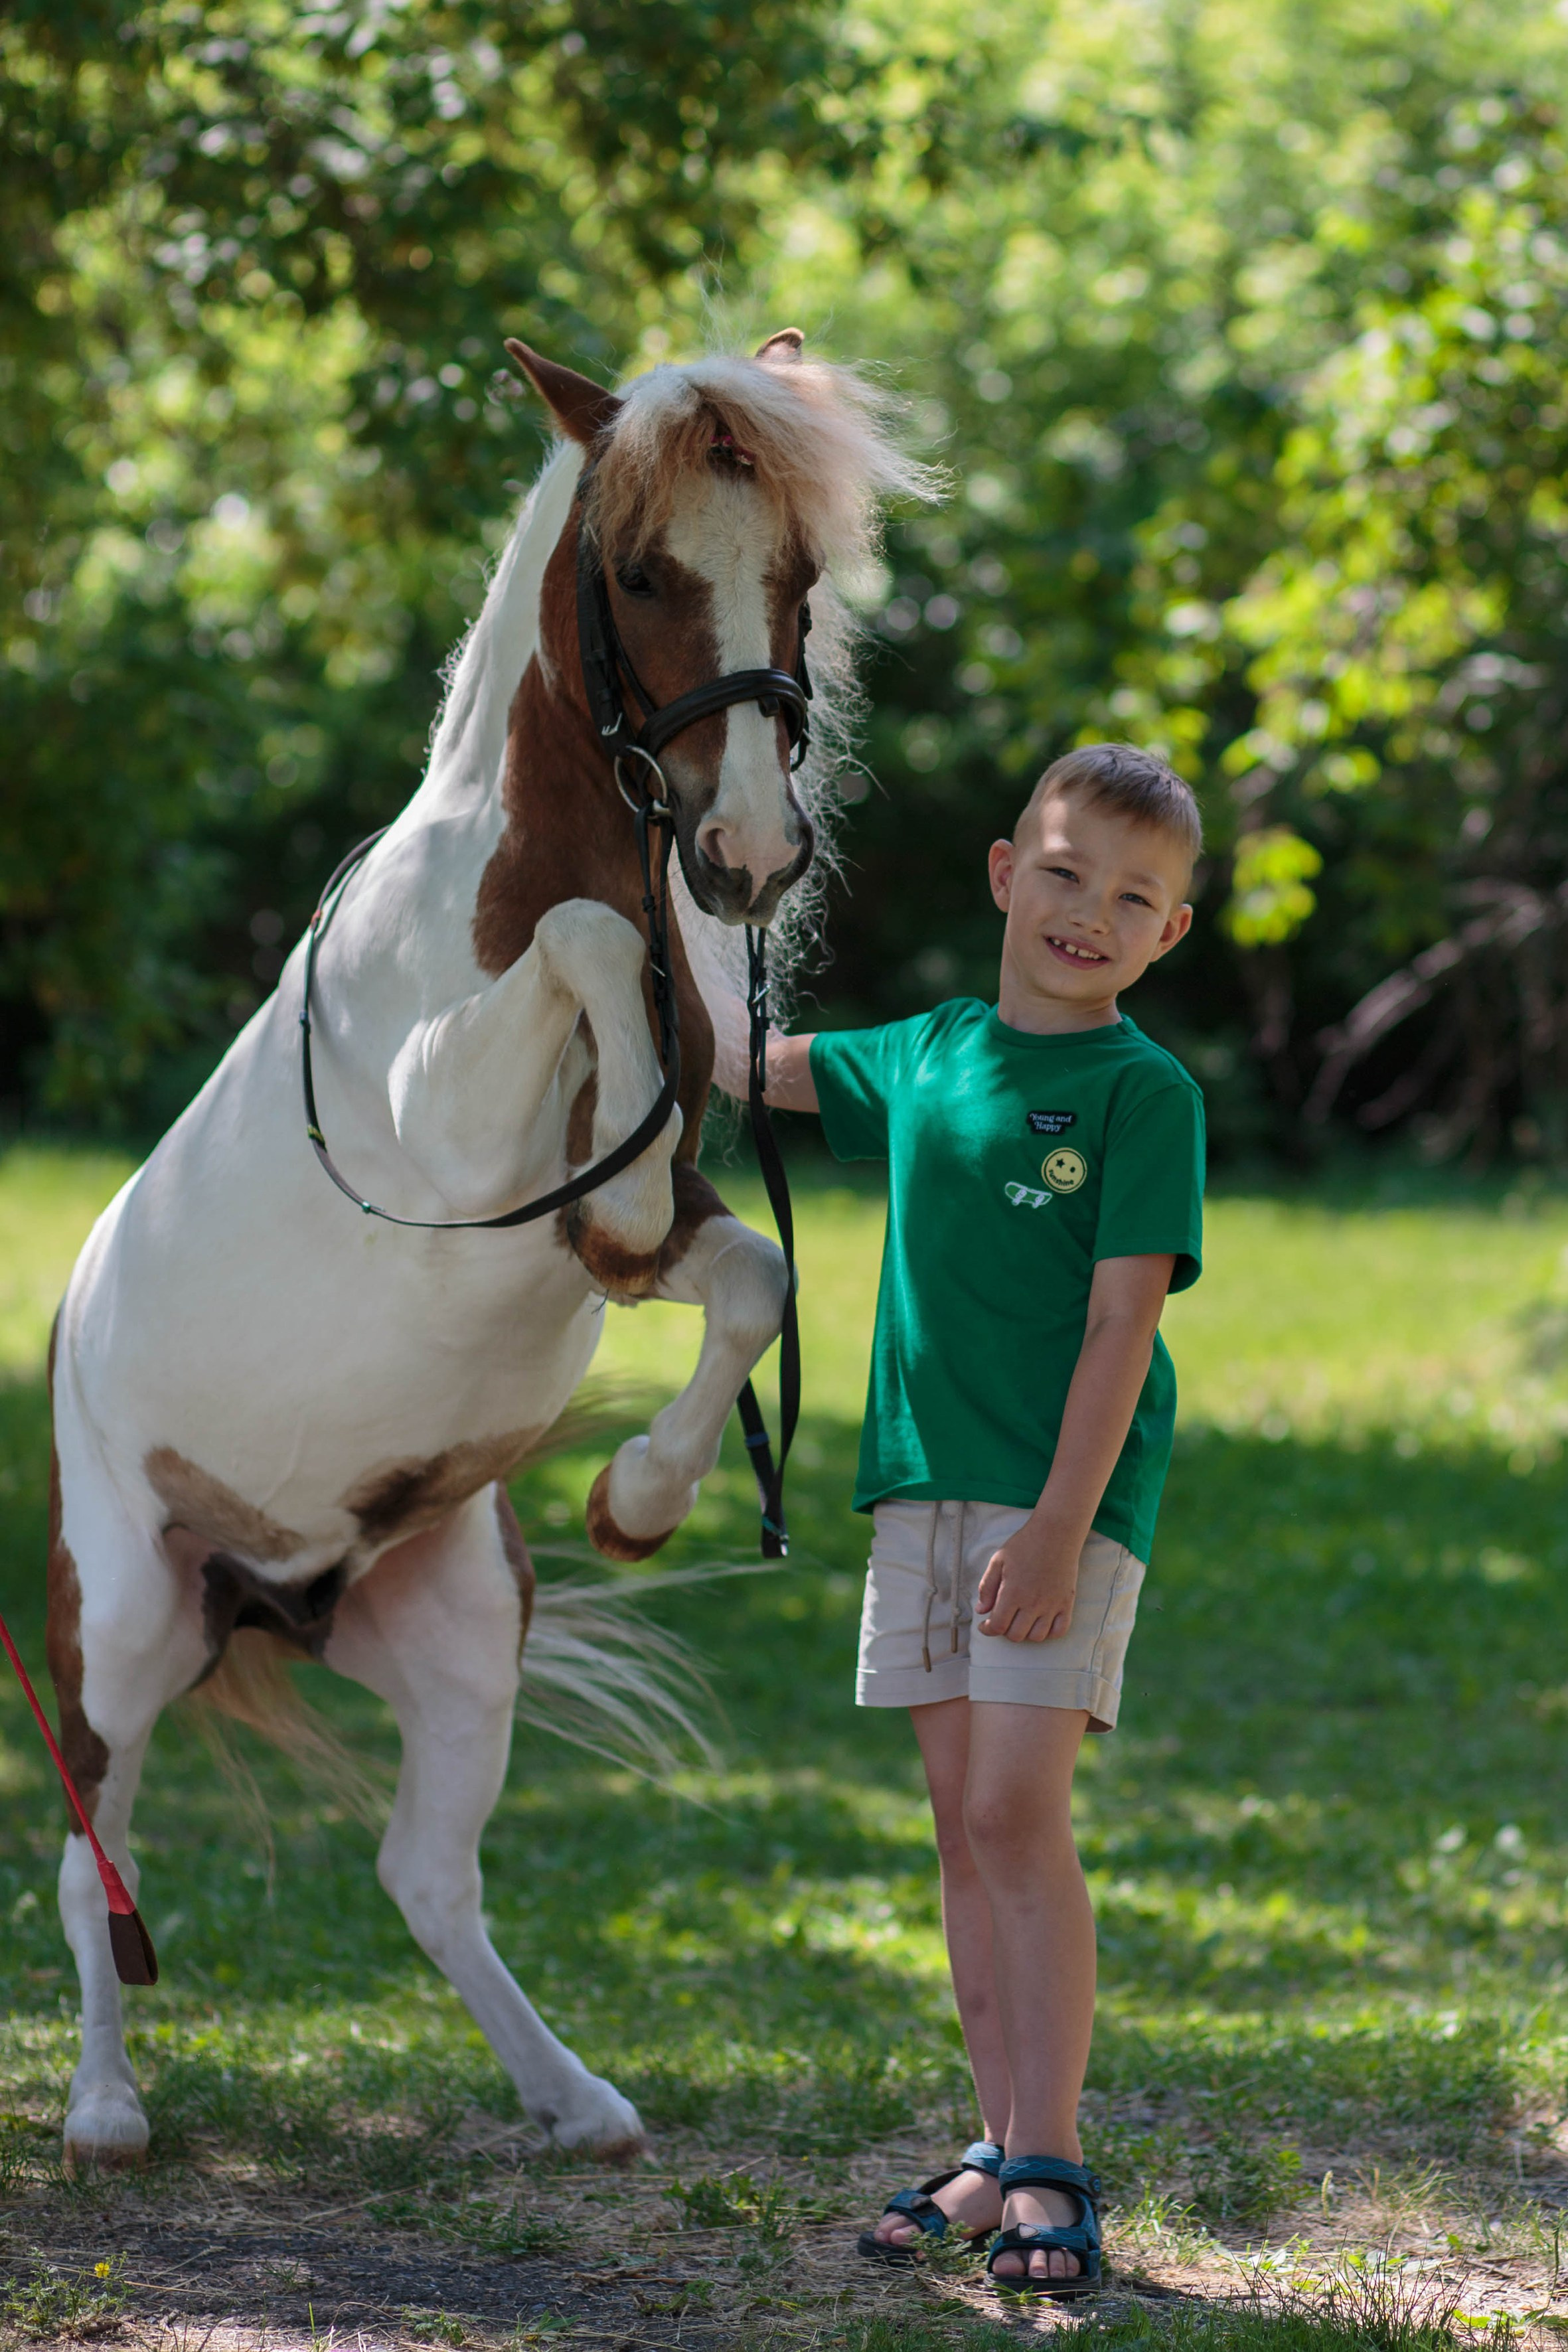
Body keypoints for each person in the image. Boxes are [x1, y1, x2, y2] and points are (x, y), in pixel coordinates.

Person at [761, 742, 1206, 2293]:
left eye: (1132, 896)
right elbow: (747, 1062)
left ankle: (1051, 2156)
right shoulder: (930, 1050)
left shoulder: (1140, 1095)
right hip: (918, 1485)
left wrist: (1058, 1529)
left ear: (1169, 931)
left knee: (1020, 1815)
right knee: (962, 1828)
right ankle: (995, 2141)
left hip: (1055, 1501)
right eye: (1067, 872)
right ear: (1010, 872)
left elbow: (1118, 1332)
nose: (1090, 910)